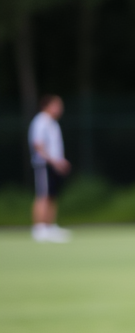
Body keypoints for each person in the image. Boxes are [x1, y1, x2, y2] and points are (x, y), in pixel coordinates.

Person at [28, 94, 71, 242]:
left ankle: (49, 226)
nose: (60, 108)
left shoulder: (53, 123)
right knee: (43, 195)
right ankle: (39, 228)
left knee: (52, 195)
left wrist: (60, 161)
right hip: (44, 164)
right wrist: (53, 161)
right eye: (57, 105)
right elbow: (38, 145)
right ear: (47, 106)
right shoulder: (41, 121)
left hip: (54, 165)